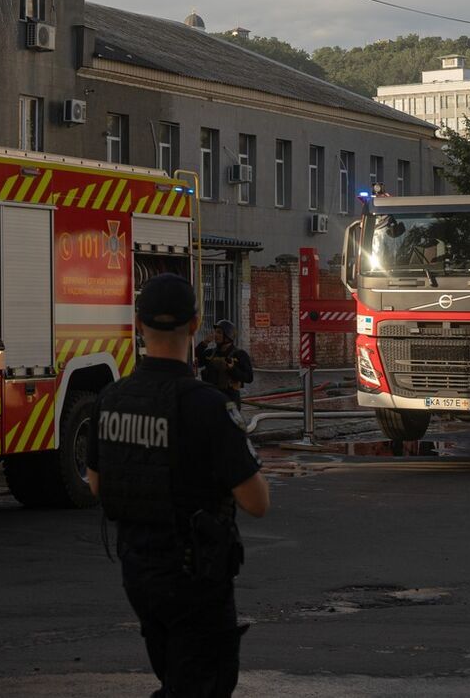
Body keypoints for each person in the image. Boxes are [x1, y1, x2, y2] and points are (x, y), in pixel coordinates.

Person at [87, 275, 271, 698]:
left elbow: (98, 485)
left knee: (176, 678)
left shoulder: (111, 398)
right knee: (203, 686)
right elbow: (256, 501)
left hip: (137, 572)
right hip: (196, 576)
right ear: (194, 324)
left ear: (137, 324)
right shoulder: (207, 405)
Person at [196, 320, 254, 409]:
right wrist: (204, 343)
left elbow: (249, 378)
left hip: (230, 400)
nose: (215, 335)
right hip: (212, 399)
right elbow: (194, 358)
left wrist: (233, 369)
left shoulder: (239, 355)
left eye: (219, 333)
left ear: (228, 336)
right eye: (215, 332)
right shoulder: (210, 354)